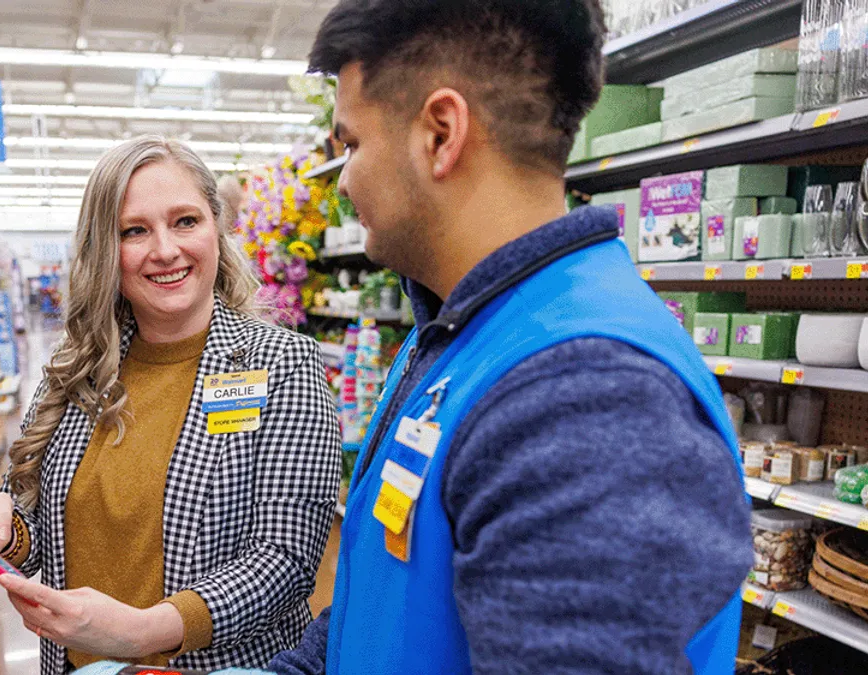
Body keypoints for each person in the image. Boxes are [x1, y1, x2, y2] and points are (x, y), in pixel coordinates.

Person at [263, 1, 753, 673]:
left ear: (440, 132)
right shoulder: (458, 333)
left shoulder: (583, 395)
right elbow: (375, 613)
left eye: (351, 144)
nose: (344, 179)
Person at [0, 136, 342, 672]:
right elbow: (42, 527)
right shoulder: (77, 369)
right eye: (134, 230)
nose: (165, 250)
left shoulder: (282, 364)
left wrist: (139, 632)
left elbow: (284, 560)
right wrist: (7, 534)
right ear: (105, 250)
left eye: (185, 221)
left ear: (216, 229)